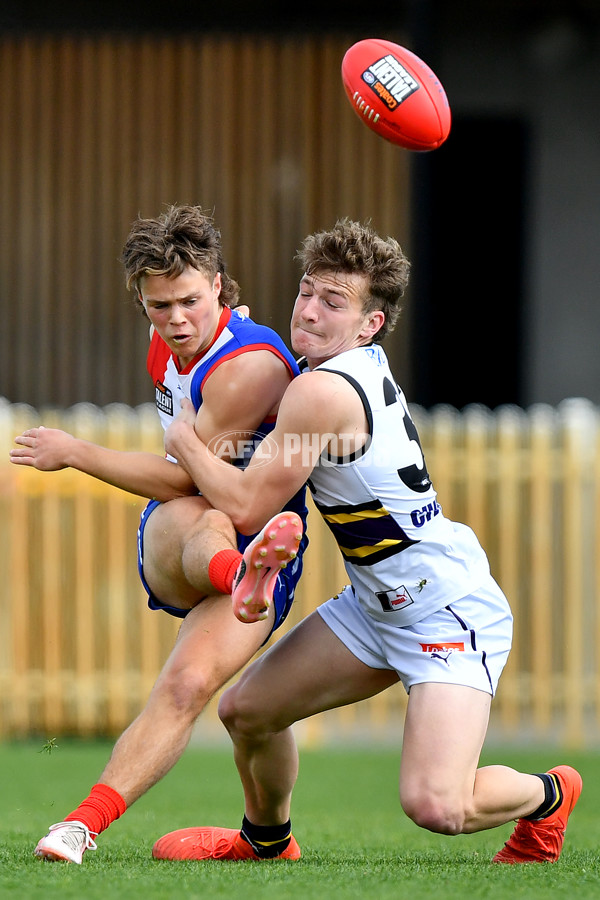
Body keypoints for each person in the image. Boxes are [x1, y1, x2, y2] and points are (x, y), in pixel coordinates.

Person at [149, 218, 581, 865]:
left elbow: (244, 503)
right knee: (246, 713)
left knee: (438, 806)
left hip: (444, 611)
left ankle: (549, 795)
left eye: (334, 301)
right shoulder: (331, 366)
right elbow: (272, 368)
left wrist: (184, 441)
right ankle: (267, 842)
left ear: (371, 325)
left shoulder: (321, 391)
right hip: (377, 605)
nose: (310, 310)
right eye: (306, 290)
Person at [9, 204, 307, 864]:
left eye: (191, 302)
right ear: (141, 300)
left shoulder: (246, 369)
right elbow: (191, 484)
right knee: (207, 519)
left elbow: (179, 477)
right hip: (201, 543)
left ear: (220, 286)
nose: (176, 320)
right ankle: (242, 574)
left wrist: (76, 452)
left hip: (238, 530)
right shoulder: (171, 342)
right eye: (159, 305)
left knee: (201, 695)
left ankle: (81, 826)